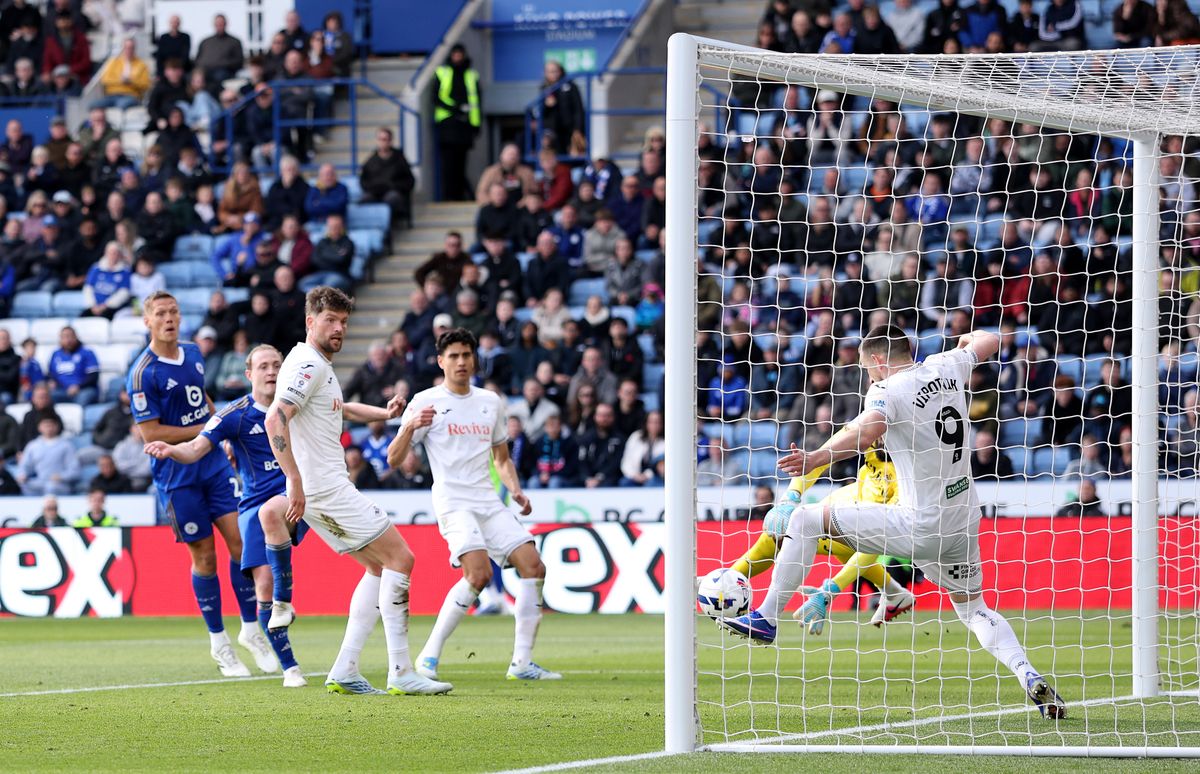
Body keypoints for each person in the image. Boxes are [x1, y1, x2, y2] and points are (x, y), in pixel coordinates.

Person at [722, 325, 1067, 720]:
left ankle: (766, 618)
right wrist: (964, 343)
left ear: (880, 361)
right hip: (962, 520)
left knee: (802, 519)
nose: (870, 378)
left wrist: (816, 459)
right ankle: (1029, 676)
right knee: (973, 610)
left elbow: (868, 430)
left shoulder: (886, 391)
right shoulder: (947, 364)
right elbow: (990, 338)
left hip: (919, 522)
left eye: (869, 371)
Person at [266, 286, 451, 696]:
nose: (339, 329)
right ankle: (402, 670)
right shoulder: (309, 364)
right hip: (325, 488)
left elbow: (342, 409)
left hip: (320, 489)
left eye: (344, 322)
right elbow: (275, 418)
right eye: (330, 320)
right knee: (402, 558)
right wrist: (293, 479)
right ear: (310, 321)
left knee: (379, 568)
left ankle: (346, 668)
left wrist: (383, 414)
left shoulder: (316, 367)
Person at [387, 327, 560, 681]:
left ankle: (522, 663)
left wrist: (516, 490)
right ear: (441, 361)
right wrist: (408, 429)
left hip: (487, 500)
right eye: (453, 356)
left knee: (534, 566)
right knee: (478, 574)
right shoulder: (425, 401)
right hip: (453, 502)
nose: (461, 362)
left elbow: (502, 458)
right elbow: (393, 459)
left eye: (467, 355)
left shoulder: (490, 402)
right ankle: (428, 657)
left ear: (475, 359)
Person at [129, 291, 274, 678]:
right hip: (177, 476)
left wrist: (217, 436)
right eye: (160, 313)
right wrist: (208, 431)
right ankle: (219, 643)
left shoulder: (193, 352)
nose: (169, 318)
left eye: (173, 311)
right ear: (148, 322)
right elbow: (151, 432)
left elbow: (204, 399)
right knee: (205, 557)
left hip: (211, 465)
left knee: (242, 543)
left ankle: (249, 630)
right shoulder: (144, 372)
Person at [144, 344, 308, 688]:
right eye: (263, 365)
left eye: (277, 364)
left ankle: (252, 628)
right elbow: (197, 445)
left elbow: (342, 408)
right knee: (253, 575)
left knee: (240, 551)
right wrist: (173, 450)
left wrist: (383, 415)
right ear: (249, 375)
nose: (271, 371)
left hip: (299, 496)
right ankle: (285, 664)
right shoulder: (234, 414)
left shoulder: (298, 403)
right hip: (255, 502)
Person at [725, 447, 916, 631]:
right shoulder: (874, 431)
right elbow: (818, 457)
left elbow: (877, 540)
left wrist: (832, 589)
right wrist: (791, 496)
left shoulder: (908, 483)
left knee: (779, 537)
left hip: (861, 522)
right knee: (790, 531)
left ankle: (733, 590)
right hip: (850, 499)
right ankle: (894, 592)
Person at [433, 44, 480, 201]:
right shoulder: (442, 72)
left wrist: (475, 125)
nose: (457, 57)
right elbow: (436, 98)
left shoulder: (472, 75)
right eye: (455, 54)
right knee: (448, 165)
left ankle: (460, 196)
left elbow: (477, 101)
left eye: (460, 54)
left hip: (465, 127)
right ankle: (449, 197)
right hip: (447, 125)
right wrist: (455, 108)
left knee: (461, 164)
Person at [359, 127, 414, 225]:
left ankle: (389, 228)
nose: (383, 142)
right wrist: (374, 188)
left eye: (385, 139)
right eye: (380, 139)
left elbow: (409, 181)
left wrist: (394, 186)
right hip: (375, 193)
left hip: (394, 193)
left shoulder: (400, 160)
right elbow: (364, 181)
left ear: (390, 141)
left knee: (392, 198)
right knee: (364, 200)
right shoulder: (371, 161)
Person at [17, 417, 78, 495]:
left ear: (57, 427)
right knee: (23, 486)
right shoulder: (33, 445)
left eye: (51, 425)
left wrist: (61, 477)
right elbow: (25, 466)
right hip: (39, 482)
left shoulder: (66, 446)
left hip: (59, 484)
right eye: (46, 425)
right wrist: (22, 475)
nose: (49, 428)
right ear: (39, 427)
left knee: (51, 487)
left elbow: (75, 471)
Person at [537, 60, 585, 156]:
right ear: (545, 73)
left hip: (570, 129)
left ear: (560, 71)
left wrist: (577, 129)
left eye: (555, 71)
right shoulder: (543, 89)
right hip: (552, 132)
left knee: (574, 155)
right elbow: (540, 113)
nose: (553, 74)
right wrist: (546, 105)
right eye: (550, 72)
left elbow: (578, 109)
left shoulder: (571, 86)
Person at [94, 37, 151, 110]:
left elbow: (146, 84)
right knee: (94, 105)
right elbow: (105, 79)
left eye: (131, 48)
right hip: (112, 95)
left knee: (122, 104)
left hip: (131, 95)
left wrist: (131, 81)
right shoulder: (113, 62)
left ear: (134, 49)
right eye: (126, 48)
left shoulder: (142, 64)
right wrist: (120, 80)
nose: (129, 50)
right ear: (123, 48)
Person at [48, 326, 99, 405]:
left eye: (70, 336)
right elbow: (51, 374)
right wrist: (51, 381)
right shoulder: (56, 354)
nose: (68, 340)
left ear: (76, 337)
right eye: (64, 337)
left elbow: (93, 376)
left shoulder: (87, 352)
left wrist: (78, 387)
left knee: (83, 398)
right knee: (47, 397)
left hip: (83, 390)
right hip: (62, 390)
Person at [195, 14, 245, 91]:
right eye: (217, 24)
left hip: (224, 71)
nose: (219, 26)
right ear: (214, 25)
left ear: (226, 24)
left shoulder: (234, 42)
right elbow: (198, 59)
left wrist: (221, 63)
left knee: (219, 76)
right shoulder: (205, 41)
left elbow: (239, 61)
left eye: (221, 23)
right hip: (205, 70)